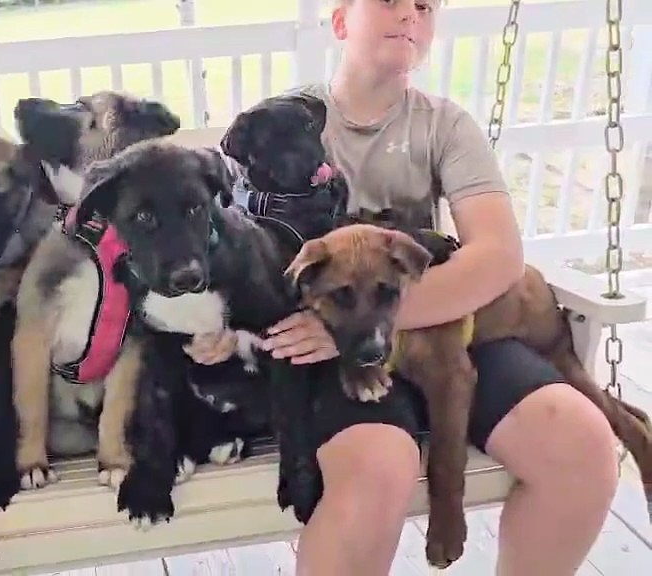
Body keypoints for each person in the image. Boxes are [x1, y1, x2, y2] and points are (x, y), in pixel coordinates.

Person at [189, 1, 619, 574]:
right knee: (377, 470)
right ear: (340, 20)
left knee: (580, 445)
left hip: (442, 332)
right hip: (333, 354)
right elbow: (238, 248)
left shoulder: (444, 125)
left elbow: (498, 256)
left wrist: (377, 320)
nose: (410, 15)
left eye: (424, 6)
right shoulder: (285, 124)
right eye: (389, 0)